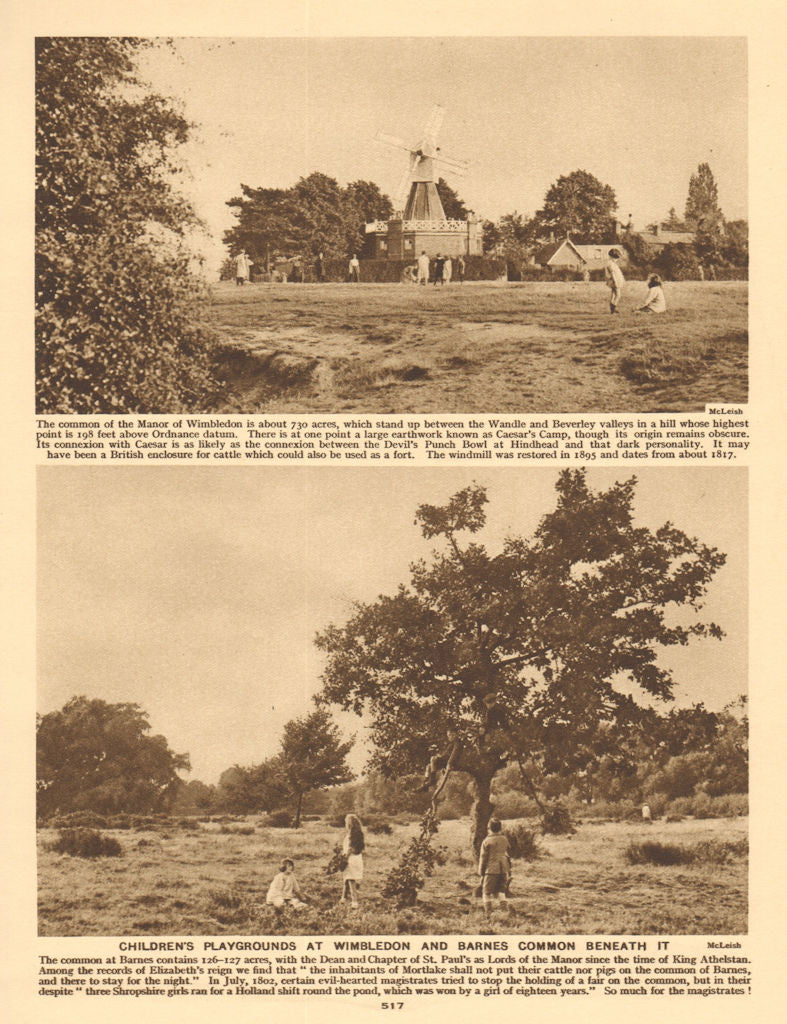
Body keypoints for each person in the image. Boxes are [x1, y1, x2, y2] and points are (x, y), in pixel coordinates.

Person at [478, 818, 511, 917]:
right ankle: (505, 912)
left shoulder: (487, 841)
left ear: (489, 828)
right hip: (503, 869)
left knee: (486, 892)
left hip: (491, 869)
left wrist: (481, 872)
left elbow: (483, 858)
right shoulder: (504, 839)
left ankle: (488, 913)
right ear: (500, 828)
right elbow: (508, 853)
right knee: (501, 891)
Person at [341, 814, 365, 909]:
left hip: (351, 858)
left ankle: (354, 901)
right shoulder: (359, 834)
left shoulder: (351, 834)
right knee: (347, 878)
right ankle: (343, 898)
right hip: (357, 858)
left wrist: (345, 858)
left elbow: (350, 849)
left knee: (350, 879)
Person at [604, 248, 624, 313]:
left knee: (613, 294)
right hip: (615, 280)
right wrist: (615, 281)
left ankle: (612, 305)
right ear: (611, 257)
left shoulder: (610, 263)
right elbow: (613, 273)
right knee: (618, 295)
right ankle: (613, 307)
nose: (616, 260)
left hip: (613, 280)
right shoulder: (611, 264)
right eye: (615, 258)